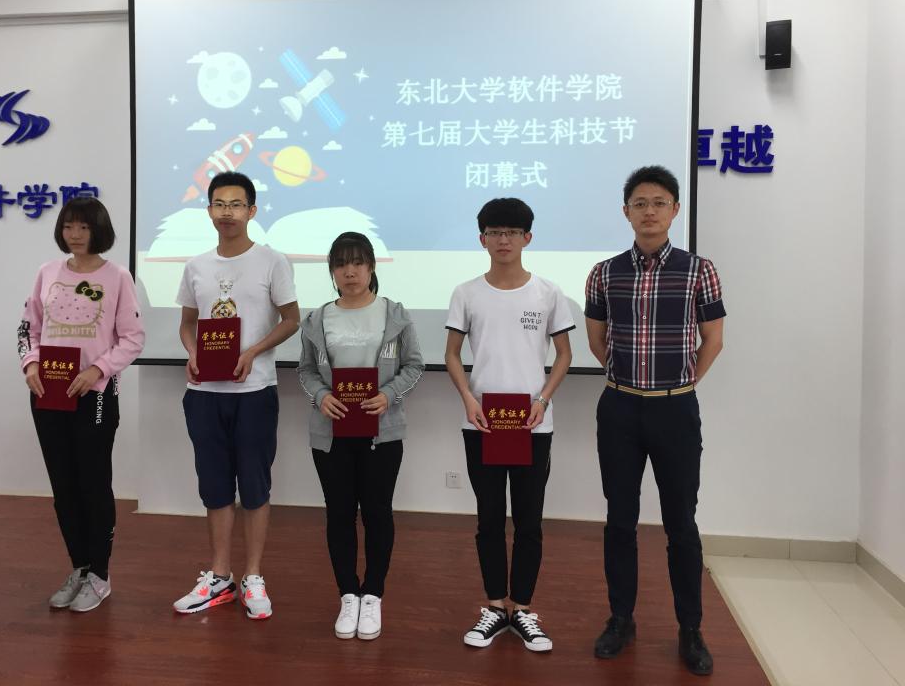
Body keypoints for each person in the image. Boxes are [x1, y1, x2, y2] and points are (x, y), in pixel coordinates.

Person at [584, 165, 725, 676]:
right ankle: (621, 619)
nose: (650, 211)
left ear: (675, 210)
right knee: (620, 520)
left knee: (680, 523)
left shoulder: (699, 270)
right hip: (620, 408)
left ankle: (691, 628)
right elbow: (597, 340)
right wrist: (632, 382)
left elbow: (713, 339)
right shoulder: (604, 273)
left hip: (676, 409)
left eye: (659, 202)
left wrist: (681, 384)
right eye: (640, 203)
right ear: (626, 212)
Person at [445, 197, 574, 653]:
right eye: (495, 232)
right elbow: (451, 354)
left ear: (527, 238)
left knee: (529, 520)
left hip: (532, 424)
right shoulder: (467, 293)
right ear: (482, 239)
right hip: (482, 422)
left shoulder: (548, 293)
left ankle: (522, 608)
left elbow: (564, 355)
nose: (504, 240)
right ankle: (495, 606)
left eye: (513, 232)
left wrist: (543, 399)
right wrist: (468, 398)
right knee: (488, 519)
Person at [172, 171, 299, 620]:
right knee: (214, 486)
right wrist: (192, 353)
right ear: (209, 210)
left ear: (251, 210)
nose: (227, 212)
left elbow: (291, 319)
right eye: (219, 204)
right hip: (204, 392)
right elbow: (188, 324)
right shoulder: (196, 266)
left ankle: (253, 575)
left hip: (253, 391)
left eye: (236, 204)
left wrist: (253, 352)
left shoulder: (271, 261)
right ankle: (220, 576)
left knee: (255, 485)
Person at [19, 196, 145, 613]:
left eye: (84, 227)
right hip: (48, 393)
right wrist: (30, 364)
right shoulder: (46, 272)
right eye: (68, 226)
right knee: (63, 486)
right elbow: (28, 328)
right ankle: (80, 567)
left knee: (93, 483)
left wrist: (98, 370)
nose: (74, 234)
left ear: (98, 230)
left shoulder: (117, 277)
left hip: (95, 395)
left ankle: (100, 576)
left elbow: (133, 338)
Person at [297, 232, 424, 640]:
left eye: (357, 263)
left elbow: (414, 365)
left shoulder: (395, 315)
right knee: (338, 514)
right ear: (332, 271)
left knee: (377, 513)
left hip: (381, 433)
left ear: (371, 267)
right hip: (331, 433)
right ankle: (348, 594)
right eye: (340, 264)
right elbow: (306, 371)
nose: (349, 272)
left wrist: (389, 395)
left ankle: (373, 595)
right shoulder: (316, 320)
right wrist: (321, 396)